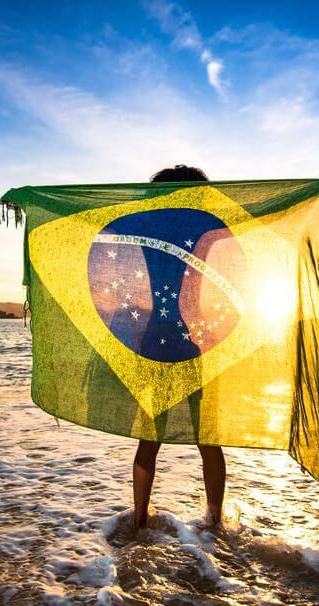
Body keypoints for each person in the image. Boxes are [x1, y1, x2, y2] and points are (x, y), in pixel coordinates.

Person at [132, 164, 226, 528]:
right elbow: (250, 218)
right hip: (190, 338)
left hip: (154, 338)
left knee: (149, 438)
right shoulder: (203, 225)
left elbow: (91, 220)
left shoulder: (143, 225)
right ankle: (215, 523)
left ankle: (139, 519)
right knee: (208, 438)